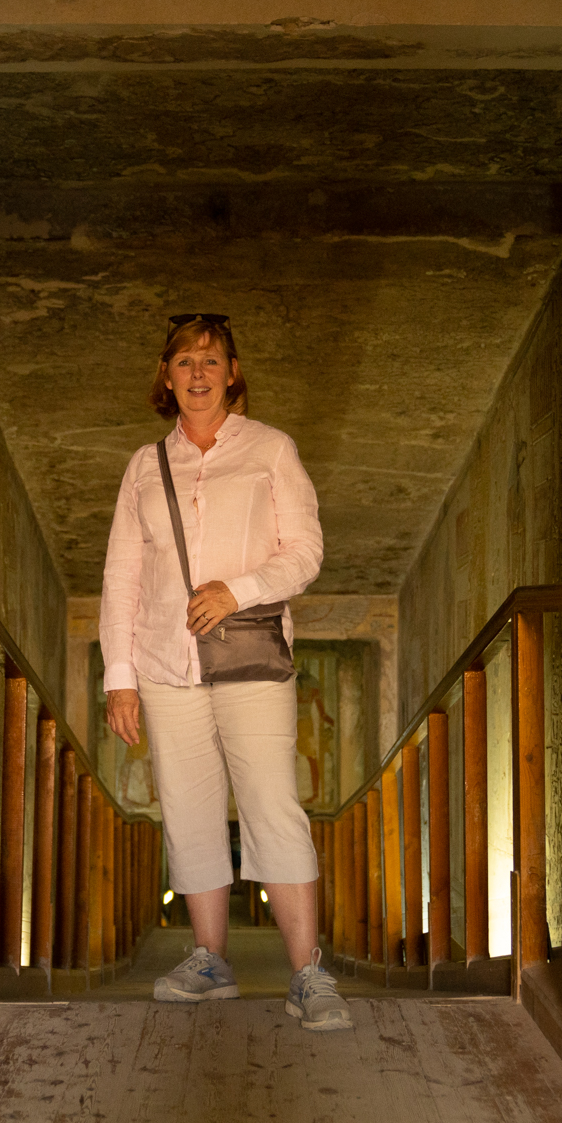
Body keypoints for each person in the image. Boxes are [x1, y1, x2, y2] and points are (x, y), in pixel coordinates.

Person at [99, 312, 352, 1032]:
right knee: (186, 809)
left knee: (273, 802)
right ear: (166, 377)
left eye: (211, 361)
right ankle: (210, 959)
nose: (198, 374)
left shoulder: (271, 450)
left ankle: (308, 972)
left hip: (248, 654)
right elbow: (122, 573)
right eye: (184, 362)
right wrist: (119, 674)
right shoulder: (145, 466)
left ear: (233, 373)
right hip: (161, 661)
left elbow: (305, 551)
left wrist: (236, 590)